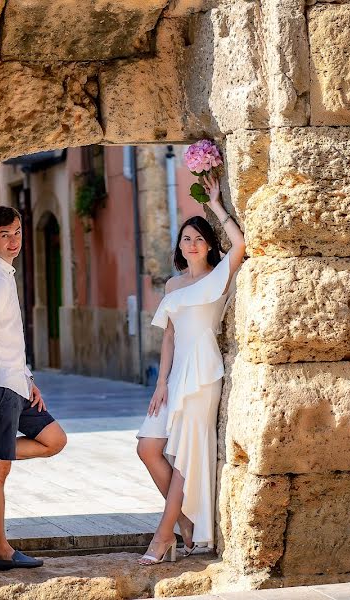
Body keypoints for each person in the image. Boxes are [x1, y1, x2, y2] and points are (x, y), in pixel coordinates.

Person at [135, 174, 245, 565]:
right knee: (148, 447)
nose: (192, 243)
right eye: (186, 238)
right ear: (180, 246)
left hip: (203, 373)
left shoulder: (221, 275)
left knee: (185, 456)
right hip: (176, 373)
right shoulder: (172, 286)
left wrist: (215, 203)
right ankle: (184, 522)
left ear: (210, 245)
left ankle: (163, 537)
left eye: (199, 238)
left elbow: (242, 244)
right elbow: (168, 338)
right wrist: (160, 383)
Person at [0, 206, 68, 571]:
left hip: (15, 383)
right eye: (5, 234)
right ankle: (0, 551)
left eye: (18, 232)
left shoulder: (3, 274)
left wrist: (28, 378)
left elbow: (8, 337)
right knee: (0, 470)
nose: (14, 241)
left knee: (54, 439)